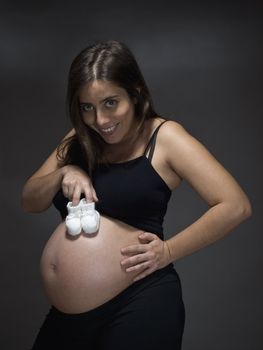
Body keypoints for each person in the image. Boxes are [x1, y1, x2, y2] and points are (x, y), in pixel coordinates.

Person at [22, 40, 252, 350]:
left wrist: (168, 251)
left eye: (110, 103)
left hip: (140, 304)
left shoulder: (166, 138)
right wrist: (64, 172)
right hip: (69, 320)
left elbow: (235, 205)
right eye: (87, 107)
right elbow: (30, 200)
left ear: (135, 92)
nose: (100, 120)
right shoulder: (80, 138)